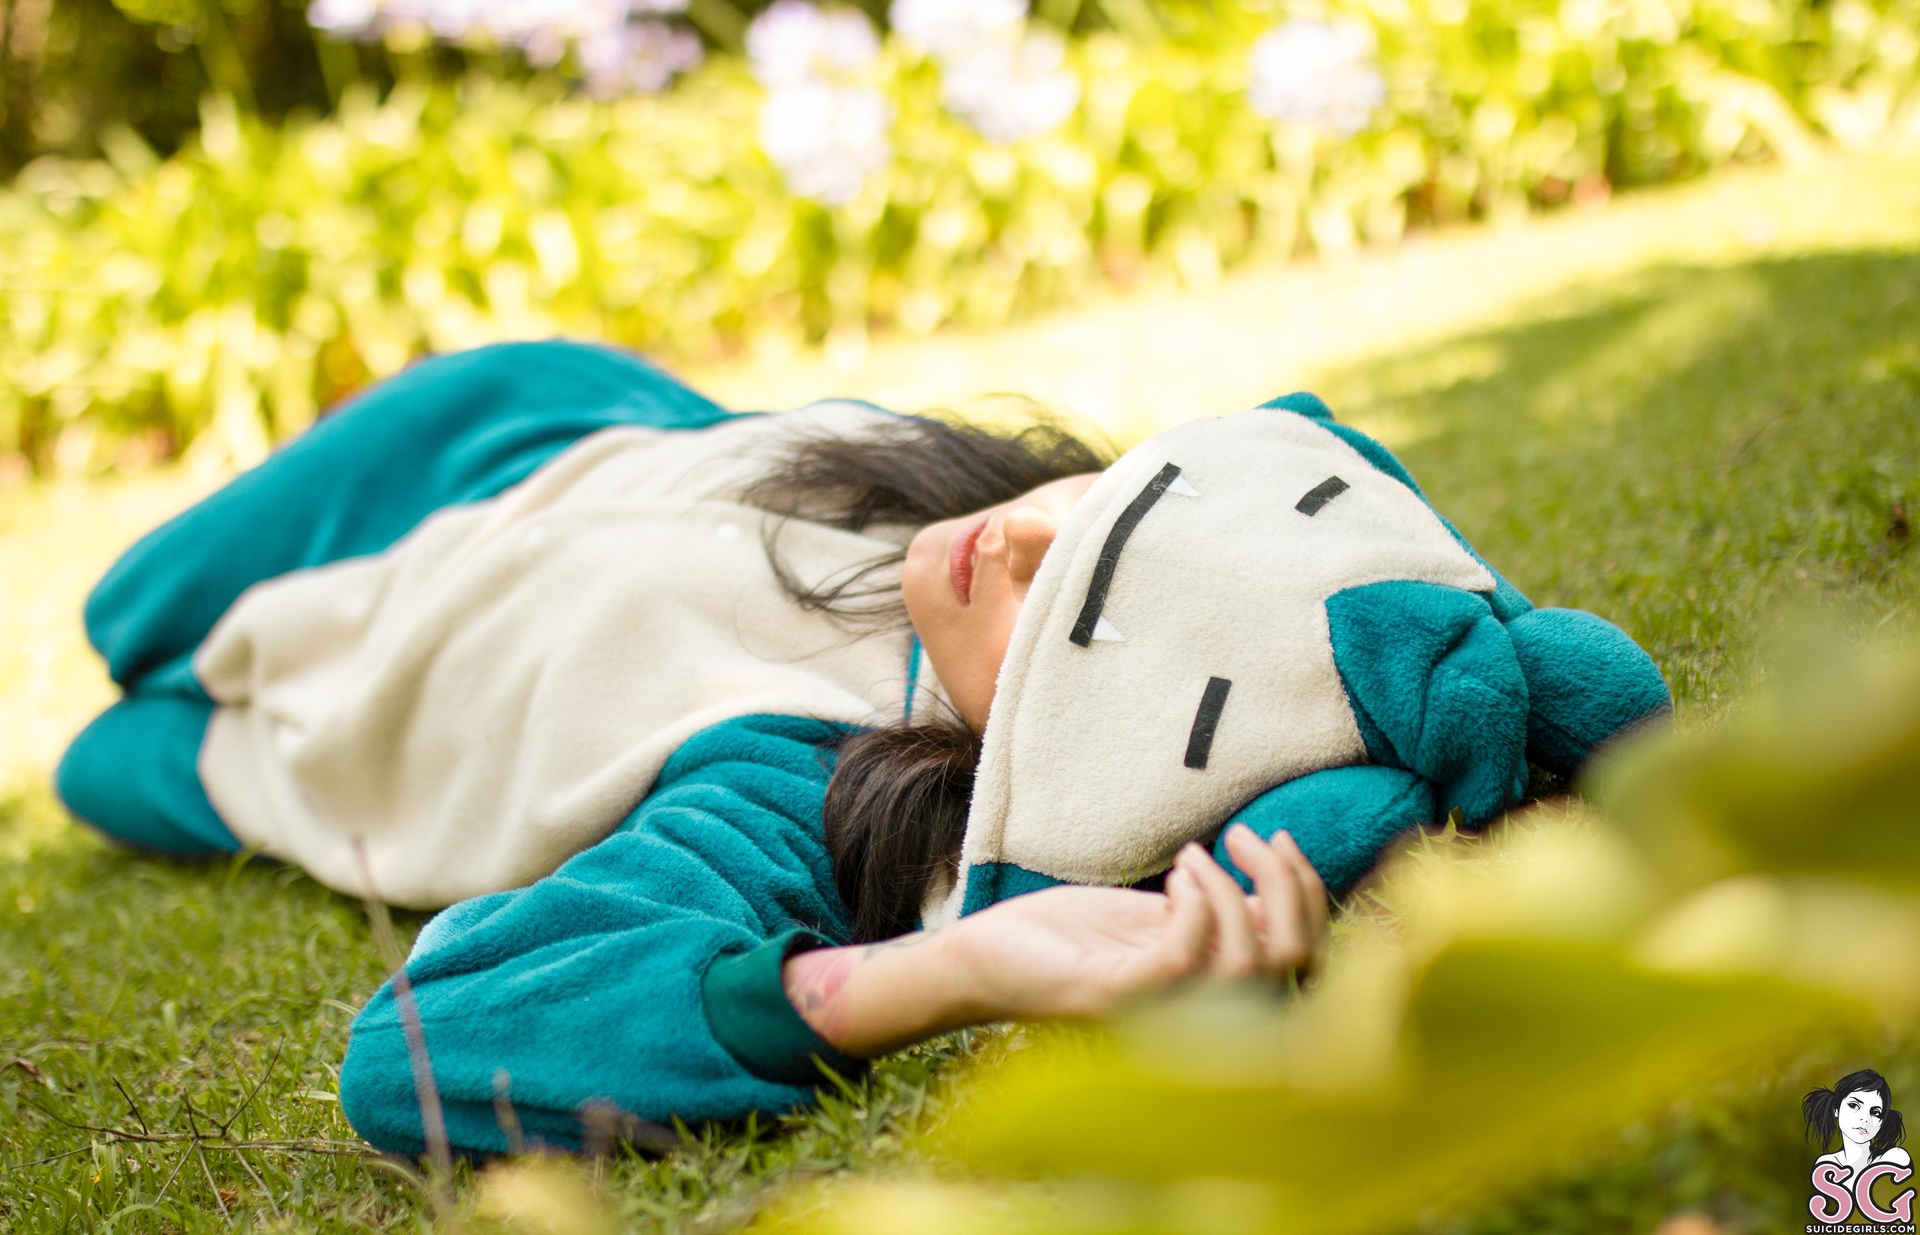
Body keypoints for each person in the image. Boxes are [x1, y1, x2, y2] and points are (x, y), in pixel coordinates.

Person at [56, 338, 1670, 1155]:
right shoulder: (951, 506)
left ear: (1065, 754)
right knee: (124, 601)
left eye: (1067, 620)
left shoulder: (797, 789)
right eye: (1101, 507)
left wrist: (945, 974)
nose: (1016, 539)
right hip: (538, 422)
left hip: (334, 690)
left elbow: (420, 1052)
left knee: (100, 752)